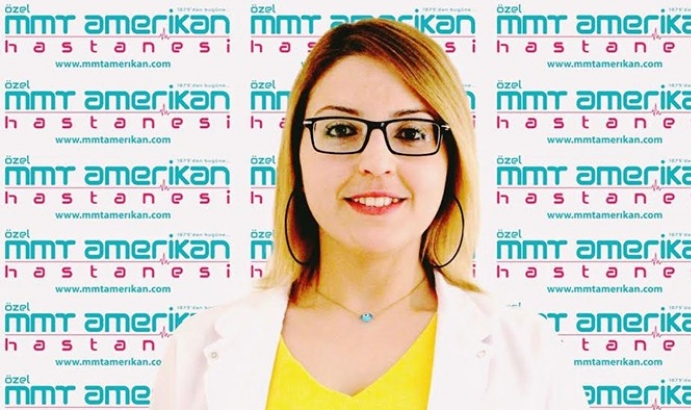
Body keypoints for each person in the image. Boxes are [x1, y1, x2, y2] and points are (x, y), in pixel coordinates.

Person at [150, 18, 589, 410]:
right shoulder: (193, 351)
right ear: (296, 158)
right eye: (341, 129)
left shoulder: (531, 358)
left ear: (451, 163)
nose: (376, 163)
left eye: (411, 133)